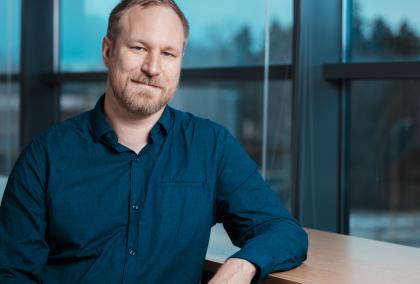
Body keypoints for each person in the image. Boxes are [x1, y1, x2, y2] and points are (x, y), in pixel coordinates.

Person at [0, 0, 307, 283]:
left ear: (180, 61)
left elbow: (284, 231)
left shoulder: (210, 147)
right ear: (108, 51)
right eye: (138, 48)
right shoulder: (45, 157)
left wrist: (242, 265)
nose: (152, 68)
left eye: (168, 53)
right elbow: (13, 274)